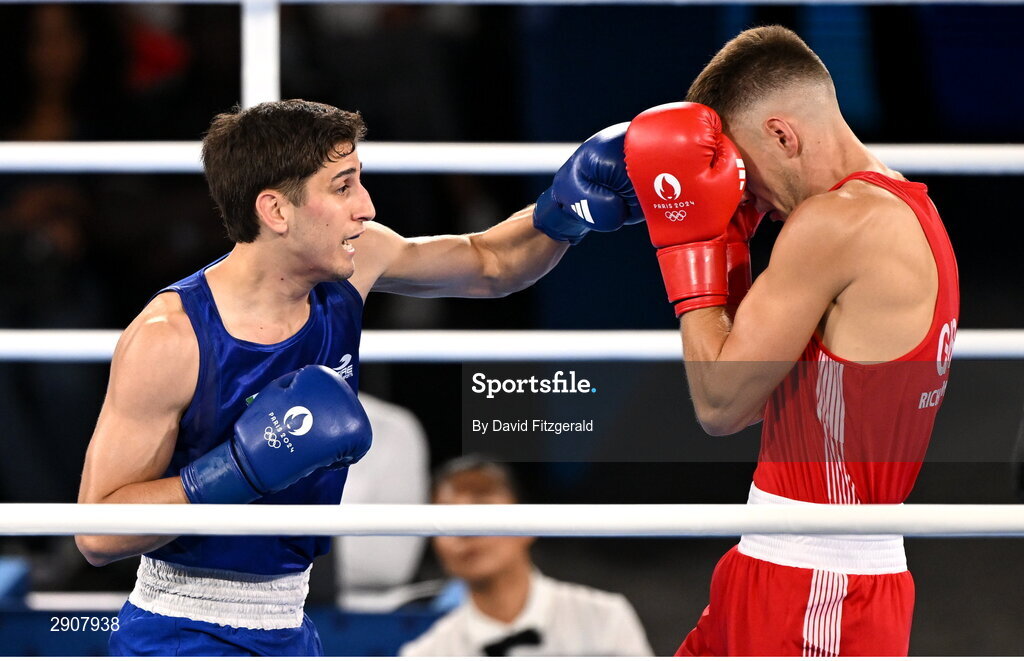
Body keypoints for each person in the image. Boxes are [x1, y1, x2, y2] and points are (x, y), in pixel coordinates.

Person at [73, 99, 642, 656]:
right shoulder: (170, 338)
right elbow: (97, 533)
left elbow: (491, 264)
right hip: (181, 632)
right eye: (343, 187)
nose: (366, 207)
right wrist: (237, 471)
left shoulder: (357, 260)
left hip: (290, 625)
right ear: (275, 211)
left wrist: (565, 210)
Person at [621, 26, 959, 655]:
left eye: (743, 167)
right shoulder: (904, 209)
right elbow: (753, 402)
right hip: (778, 562)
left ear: (783, 134)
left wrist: (692, 244)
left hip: (820, 586)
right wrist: (735, 254)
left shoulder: (835, 223)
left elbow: (719, 405)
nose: (744, 191)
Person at [400, 457, 652, 656]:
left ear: (528, 522)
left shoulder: (605, 618)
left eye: (482, 507)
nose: (466, 529)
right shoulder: (427, 653)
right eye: (448, 517)